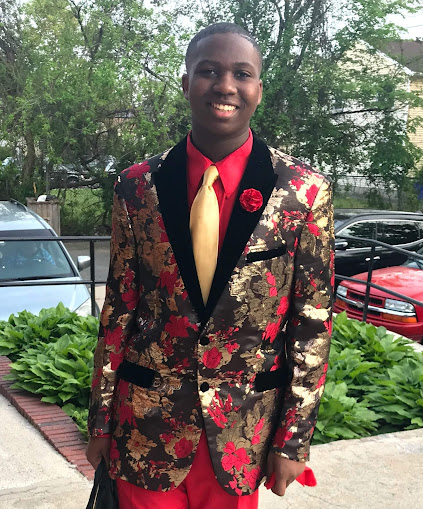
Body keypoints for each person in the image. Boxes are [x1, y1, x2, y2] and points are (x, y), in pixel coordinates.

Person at [86, 22, 334, 509]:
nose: (225, 85)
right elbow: (118, 312)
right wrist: (100, 421)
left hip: (241, 432)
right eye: (208, 71)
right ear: (186, 83)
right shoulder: (136, 187)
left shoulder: (302, 192)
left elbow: (313, 324)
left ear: (258, 88)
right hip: (145, 426)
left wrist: (293, 441)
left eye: (242, 73)